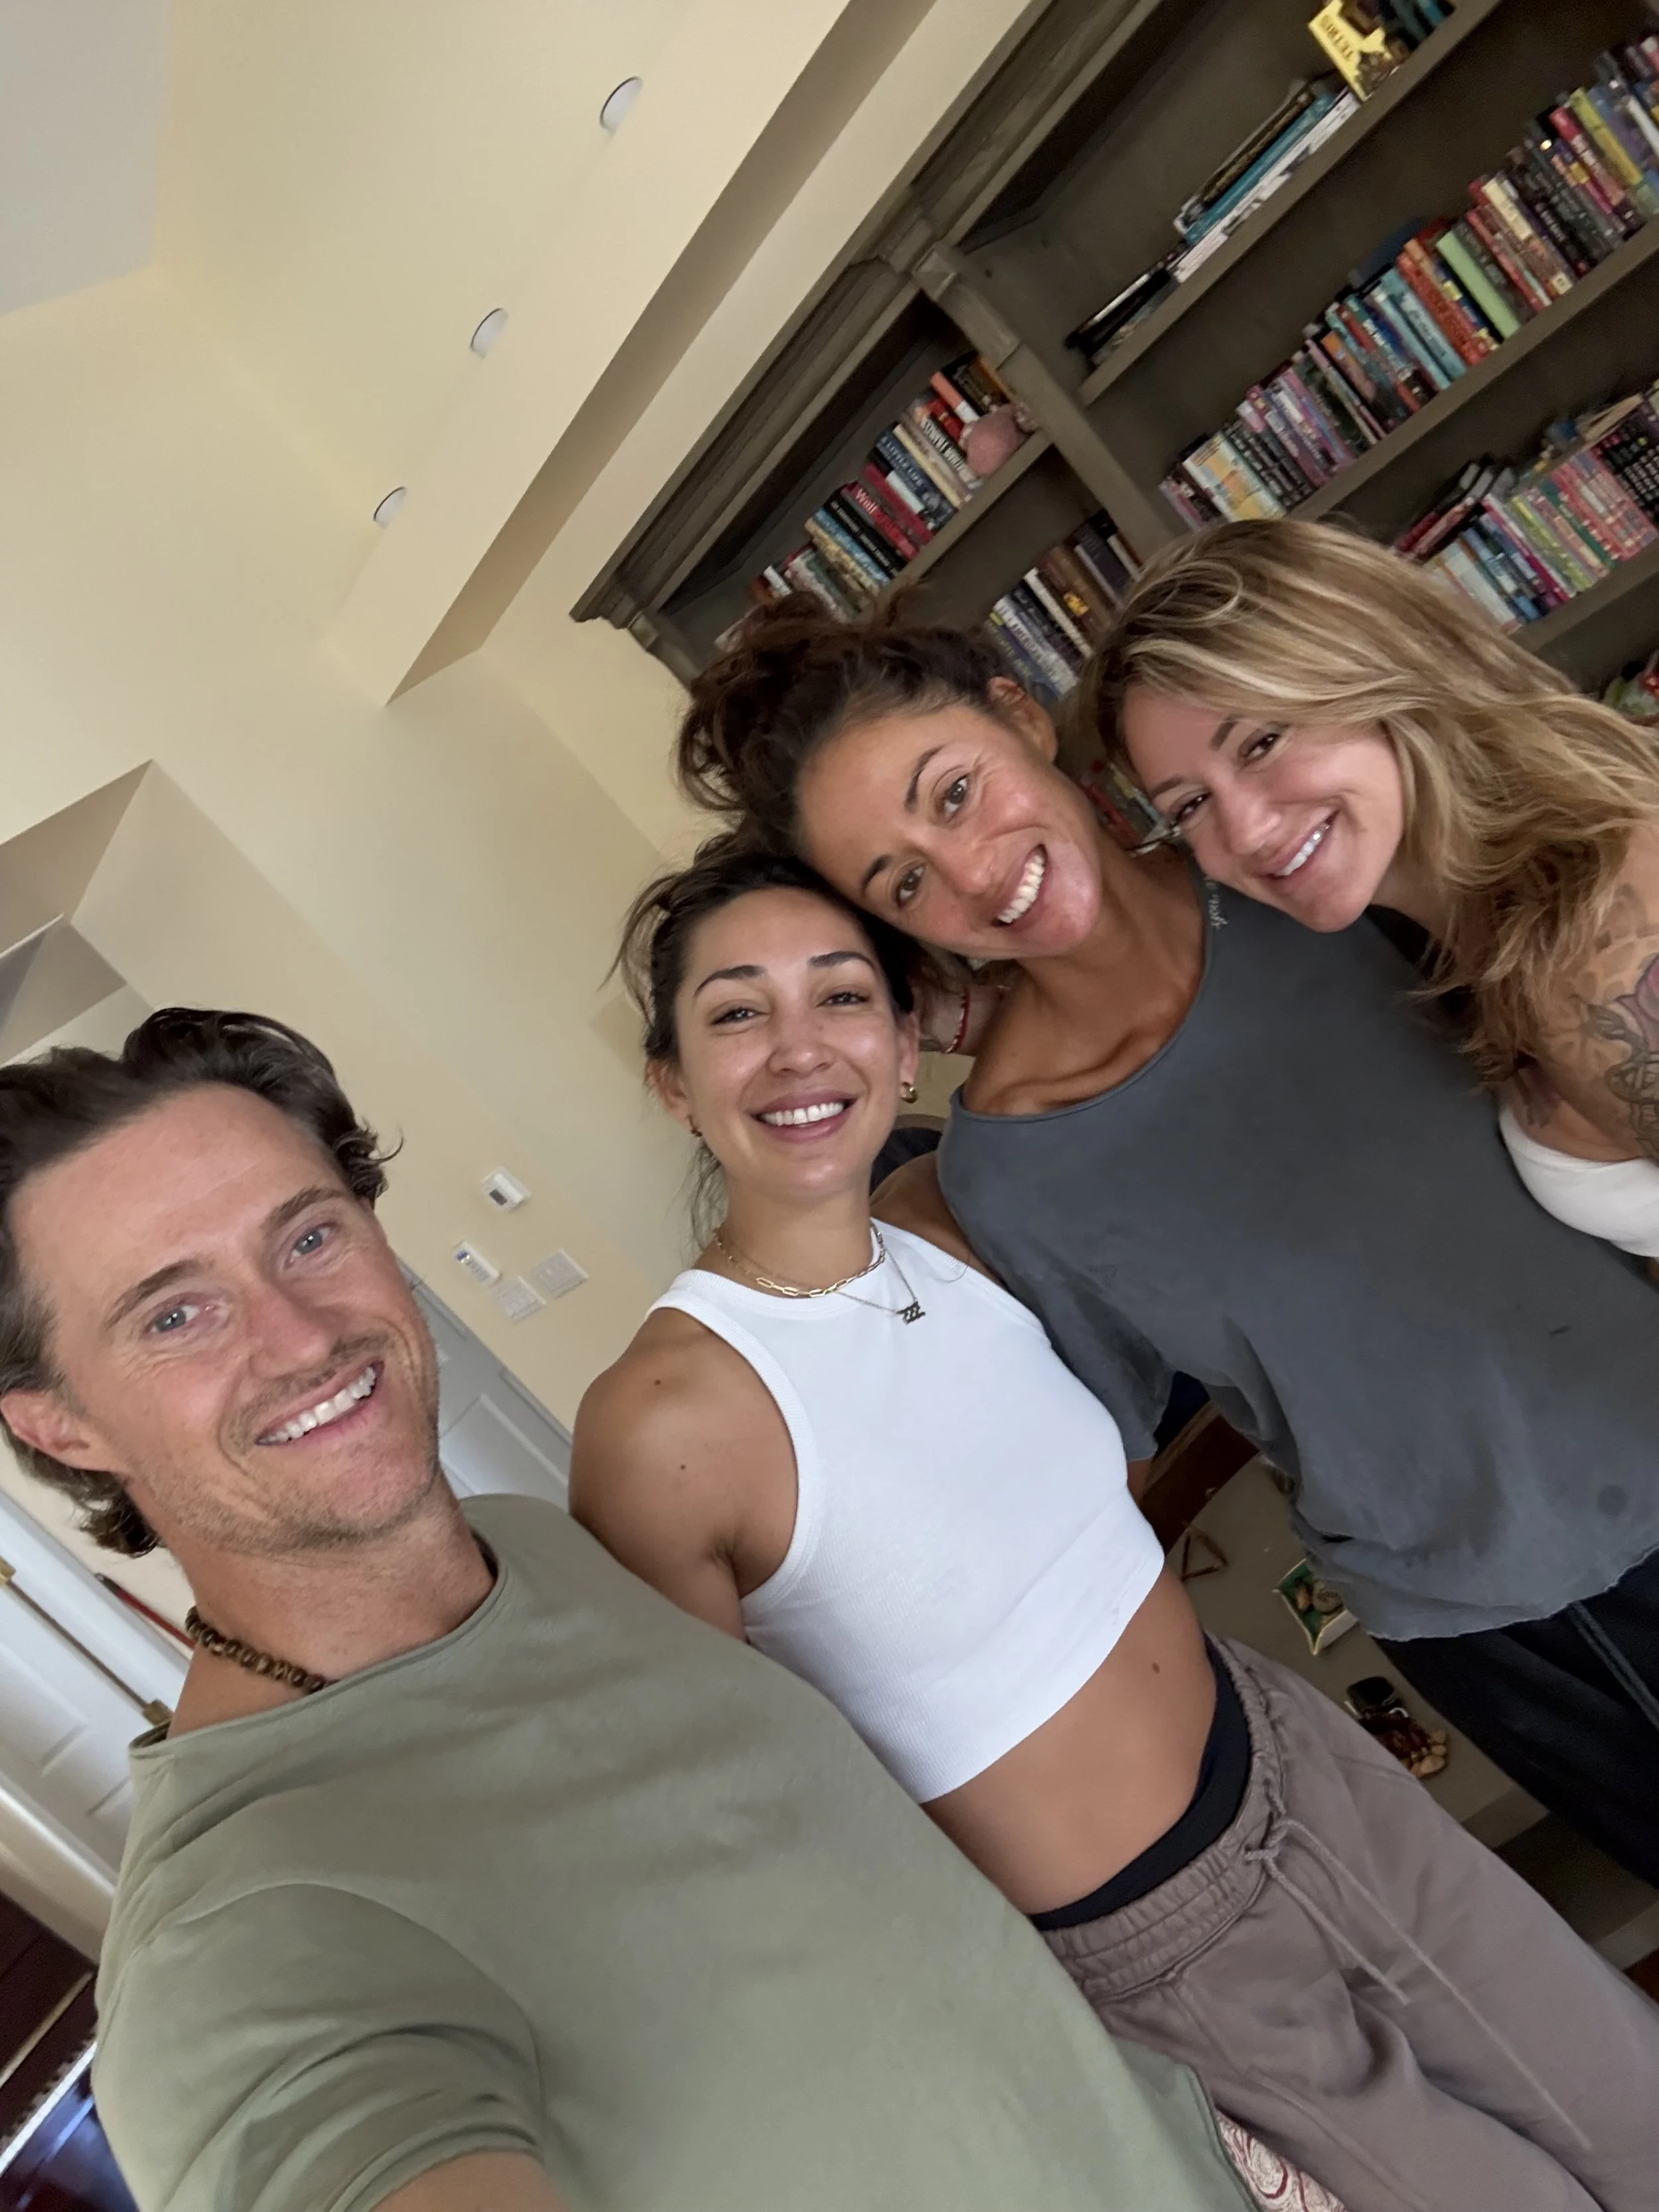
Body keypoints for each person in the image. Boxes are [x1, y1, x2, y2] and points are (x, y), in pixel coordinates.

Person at [0, 1009, 1272, 2212]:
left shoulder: (536, 1547)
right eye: (176, 1312)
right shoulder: (233, 1950)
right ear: (59, 1420)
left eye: (310, 1236)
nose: (297, 1334)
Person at [570, 837, 1659, 2212]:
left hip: (1300, 1767)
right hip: (1153, 1944)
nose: (799, 1049)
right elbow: (740, 1828)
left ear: (907, 1041)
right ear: (671, 1078)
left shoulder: (964, 1220)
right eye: (736, 1011)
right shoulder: (660, 1422)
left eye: (840, 994)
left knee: (1635, 2105)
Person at [669, 595, 1659, 1895]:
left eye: (954, 791)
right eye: (902, 878)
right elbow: (1071, 1461)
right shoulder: (1005, 1169)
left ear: (1021, 718)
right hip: (1528, 1612)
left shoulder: (1307, 869)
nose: (970, 873)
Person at [1093, 516, 1659, 1262]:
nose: (1248, 833)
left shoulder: (1606, 935)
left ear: (1381, 673)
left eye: (1263, 742)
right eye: (1190, 806)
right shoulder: (1469, 926)